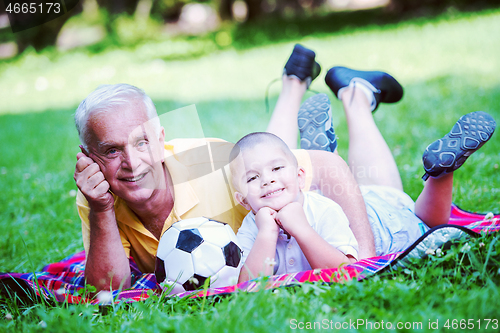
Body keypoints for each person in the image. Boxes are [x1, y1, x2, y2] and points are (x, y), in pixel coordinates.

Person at [73, 45, 376, 291]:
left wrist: (365, 263)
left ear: (161, 139)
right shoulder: (99, 193)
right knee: (266, 160)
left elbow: (329, 167)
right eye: (112, 150)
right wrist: (101, 210)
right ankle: (294, 82)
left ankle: (354, 95)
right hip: (272, 215)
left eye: (141, 143)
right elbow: (107, 290)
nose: (132, 163)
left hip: (296, 197)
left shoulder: (209, 162)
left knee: (266, 161)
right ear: (89, 158)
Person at [274, 45, 496, 257]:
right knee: (396, 206)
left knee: (426, 222)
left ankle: (440, 174)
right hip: (381, 221)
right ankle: (347, 98)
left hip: (358, 223)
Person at [229, 132, 358, 282]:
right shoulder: (250, 227)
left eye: (276, 168)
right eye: (252, 178)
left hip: (381, 222)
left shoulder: (325, 210)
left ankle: (325, 146)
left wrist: (301, 229)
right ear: (244, 201)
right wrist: (267, 233)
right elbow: (245, 287)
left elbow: (347, 274)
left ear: (299, 177)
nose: (267, 180)